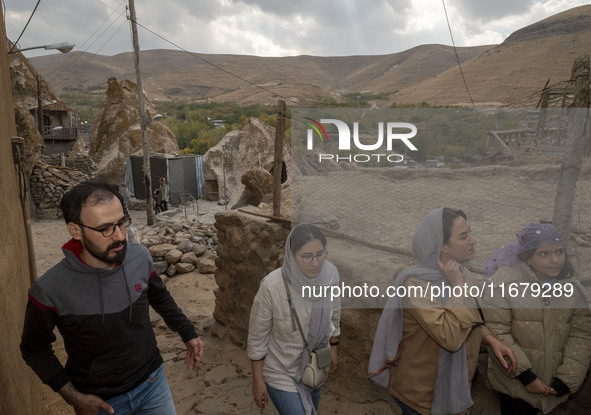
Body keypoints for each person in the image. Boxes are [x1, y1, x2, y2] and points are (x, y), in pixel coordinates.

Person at [20, 182, 204, 415]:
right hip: (99, 404)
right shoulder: (48, 289)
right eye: (105, 228)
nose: (119, 236)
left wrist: (188, 331)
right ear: (75, 230)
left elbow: (159, 296)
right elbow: (34, 348)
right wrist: (74, 397)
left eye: (121, 223)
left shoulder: (140, 257)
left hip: (153, 385)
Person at [369, 207, 516, 415]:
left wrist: (491, 340)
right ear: (442, 246)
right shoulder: (416, 285)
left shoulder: (461, 273)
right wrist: (457, 288)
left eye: (470, 232)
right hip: (421, 398)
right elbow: (450, 337)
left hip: (449, 391)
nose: (473, 240)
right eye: (464, 236)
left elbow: (469, 320)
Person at [482, 222, 591, 415]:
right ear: (527, 258)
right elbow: (498, 331)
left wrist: (566, 380)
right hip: (516, 385)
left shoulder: (573, 290)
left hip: (555, 385)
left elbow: (582, 335)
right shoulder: (503, 286)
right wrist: (526, 377)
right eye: (544, 254)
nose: (555, 260)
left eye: (559, 252)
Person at [247, 223, 341, 415]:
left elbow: (335, 317)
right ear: (291, 255)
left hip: (315, 366)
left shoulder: (330, 278)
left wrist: (334, 349)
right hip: (281, 371)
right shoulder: (272, 287)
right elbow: (257, 338)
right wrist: (257, 381)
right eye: (307, 256)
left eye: (320, 254)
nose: (315, 263)